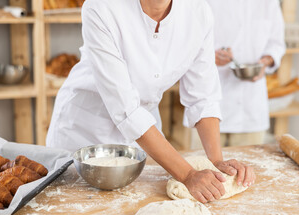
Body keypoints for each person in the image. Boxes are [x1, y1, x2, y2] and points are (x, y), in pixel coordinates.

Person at [46, 0, 255, 203]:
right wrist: (188, 174)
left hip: (145, 137)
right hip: (84, 135)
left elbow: (203, 97)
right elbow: (126, 108)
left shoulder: (198, 13)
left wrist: (216, 162)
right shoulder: (101, 8)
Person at [207, 0, 286, 147]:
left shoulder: (269, 3)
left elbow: (277, 43)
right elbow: (189, 38)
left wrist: (266, 61)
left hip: (251, 108)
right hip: (209, 104)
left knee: (248, 166)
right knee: (205, 167)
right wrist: (210, 55)